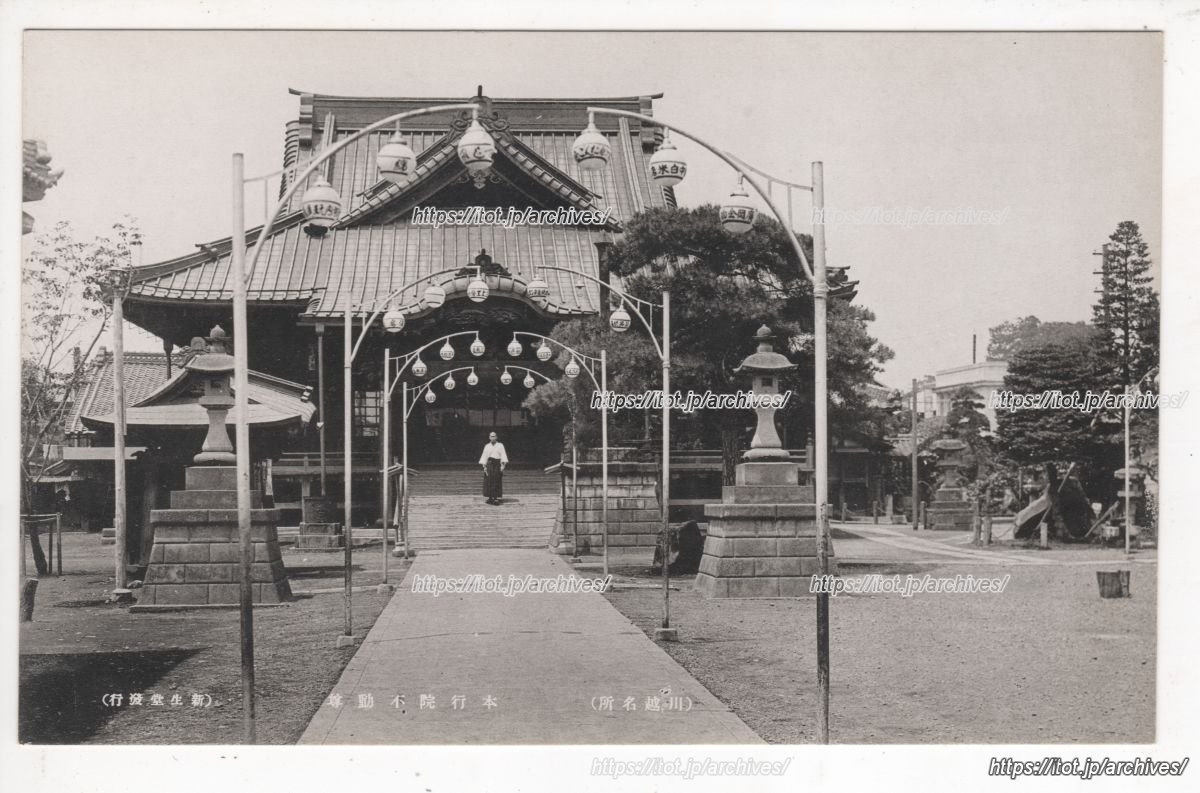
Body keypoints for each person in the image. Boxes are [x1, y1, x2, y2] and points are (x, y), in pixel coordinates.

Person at [479, 432, 508, 505]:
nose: (493, 438)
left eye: (494, 436)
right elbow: (484, 456)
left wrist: (503, 465)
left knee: (496, 479)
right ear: (489, 437)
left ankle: (495, 498)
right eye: (491, 436)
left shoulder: (500, 445)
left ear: (496, 437)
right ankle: (490, 497)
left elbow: (503, 455)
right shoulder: (487, 446)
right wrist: (484, 466)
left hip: (497, 464)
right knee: (489, 480)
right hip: (489, 464)